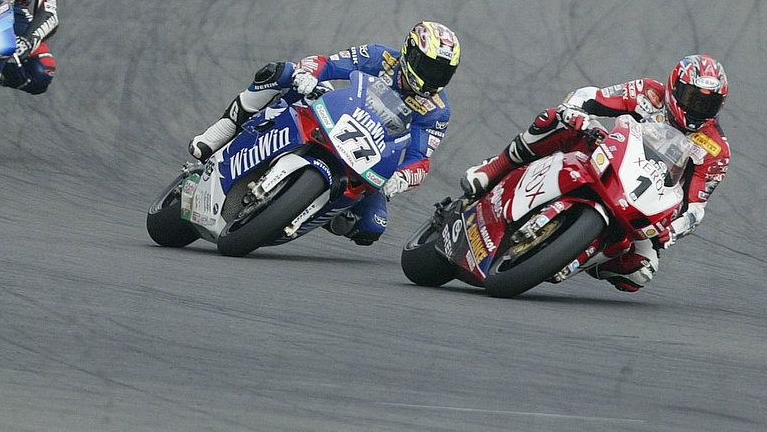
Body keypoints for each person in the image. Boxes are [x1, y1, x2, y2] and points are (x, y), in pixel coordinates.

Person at [460, 54, 730, 293]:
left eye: (708, 105)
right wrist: (577, 112)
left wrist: (672, 231)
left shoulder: (716, 149)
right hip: (605, 154)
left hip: (644, 197)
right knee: (555, 118)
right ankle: (494, 168)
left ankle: (582, 253)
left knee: (640, 273)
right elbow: (591, 96)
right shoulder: (648, 94)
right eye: (692, 99)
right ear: (674, 88)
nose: (697, 109)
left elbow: (695, 206)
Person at [187, 21, 460, 246]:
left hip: (369, 154)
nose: (433, 77)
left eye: (442, 72)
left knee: (371, 227)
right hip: (335, 114)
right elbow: (327, 64)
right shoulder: (380, 56)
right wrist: (309, 74)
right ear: (410, 52)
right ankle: (219, 133)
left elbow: (420, 158)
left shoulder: (437, 110)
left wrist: (402, 178)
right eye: (428, 67)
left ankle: (306, 206)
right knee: (282, 72)